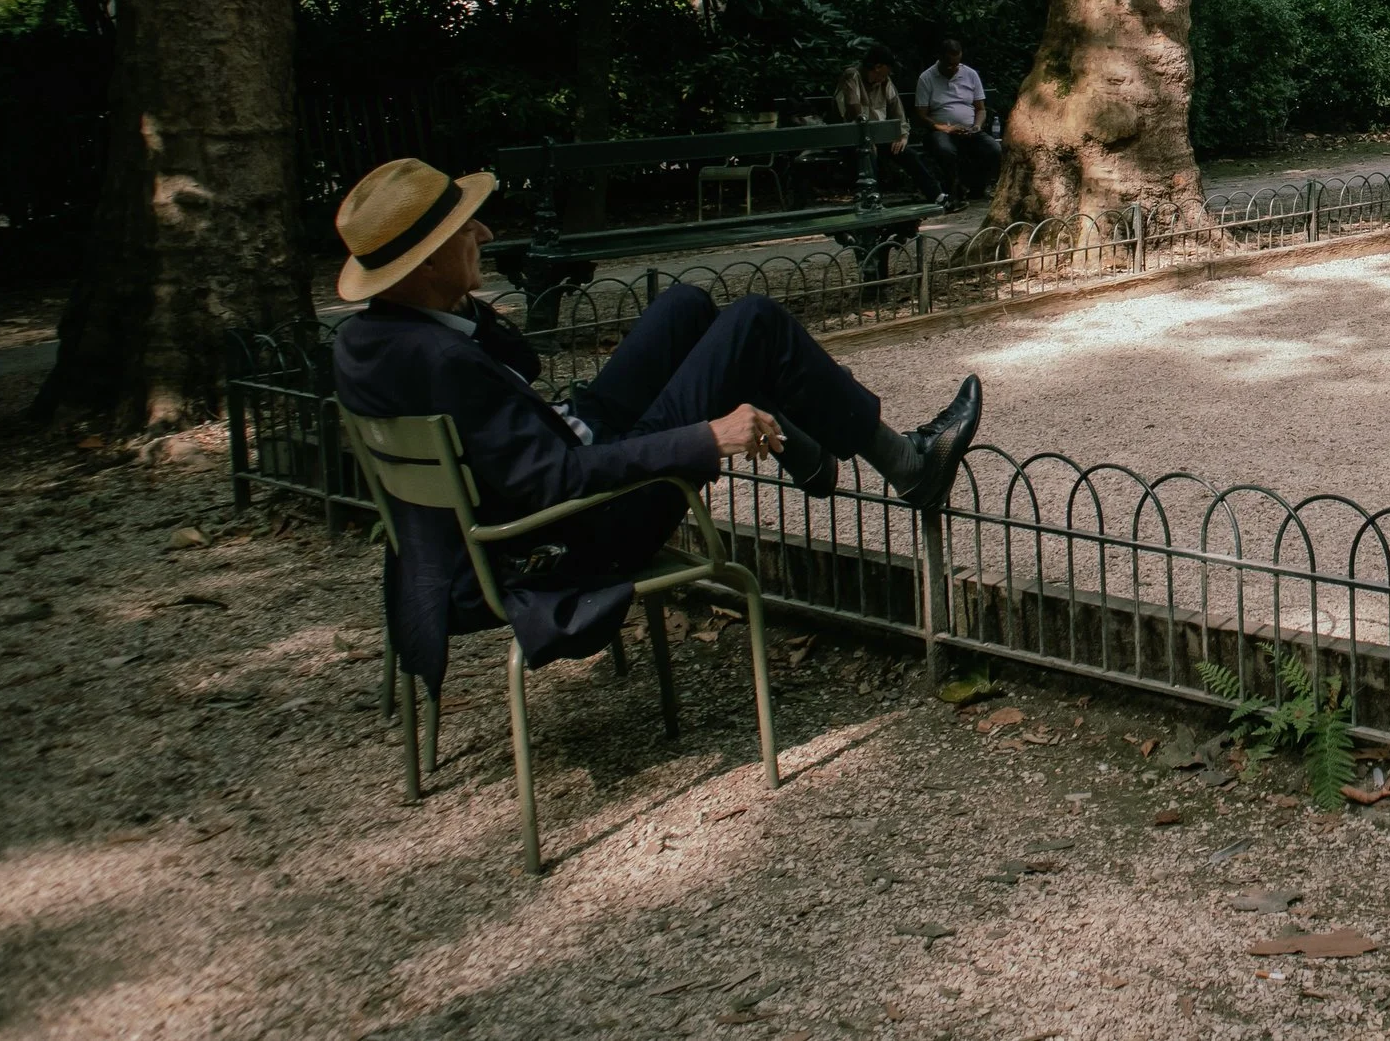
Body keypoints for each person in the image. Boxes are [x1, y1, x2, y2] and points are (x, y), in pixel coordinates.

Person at [330, 158, 984, 690]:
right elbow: (554, 481)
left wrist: (465, 306)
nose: (485, 236)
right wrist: (709, 437)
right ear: (423, 266)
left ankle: (809, 455)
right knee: (752, 323)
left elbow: (519, 376)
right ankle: (908, 465)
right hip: (582, 525)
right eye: (466, 231)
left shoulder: (371, 339)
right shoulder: (444, 361)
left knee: (684, 306)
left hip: (545, 466)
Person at [835, 44, 949, 207]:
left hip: (878, 136)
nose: (888, 74)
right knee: (867, 155)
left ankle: (936, 195)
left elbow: (898, 112)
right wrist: (868, 138)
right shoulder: (852, 76)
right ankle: (871, 198)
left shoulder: (885, 82)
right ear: (877, 67)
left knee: (908, 154)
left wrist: (902, 135)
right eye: (887, 70)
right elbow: (854, 109)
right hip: (854, 137)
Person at [915, 36, 1002, 202]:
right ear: (940, 58)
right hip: (942, 130)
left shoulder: (970, 74)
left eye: (956, 64)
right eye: (949, 64)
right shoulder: (926, 78)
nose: (953, 68)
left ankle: (977, 188)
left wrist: (977, 126)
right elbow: (921, 115)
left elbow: (981, 109)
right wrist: (944, 128)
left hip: (969, 129)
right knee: (945, 149)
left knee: (993, 149)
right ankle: (953, 189)